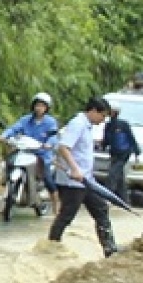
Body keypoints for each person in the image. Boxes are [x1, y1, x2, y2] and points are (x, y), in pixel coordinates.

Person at [49, 96, 117, 257]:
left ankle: (110, 249)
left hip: (86, 181)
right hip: (74, 181)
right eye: (102, 116)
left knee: (101, 209)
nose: (103, 120)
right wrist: (74, 169)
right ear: (93, 111)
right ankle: (51, 246)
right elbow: (64, 147)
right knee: (66, 215)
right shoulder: (77, 124)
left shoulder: (86, 127)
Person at [0, 92, 60, 215]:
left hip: (41, 154)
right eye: (37, 105)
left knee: (48, 180)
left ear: (47, 108)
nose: (39, 108)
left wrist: (49, 143)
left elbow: (54, 136)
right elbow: (14, 129)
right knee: (9, 165)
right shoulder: (25, 120)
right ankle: (6, 202)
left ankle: (56, 207)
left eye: (42, 106)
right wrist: (4, 136)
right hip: (24, 151)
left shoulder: (50, 122)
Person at [101, 104, 140, 204]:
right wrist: (102, 147)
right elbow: (106, 140)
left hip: (124, 153)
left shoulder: (123, 124)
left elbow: (131, 138)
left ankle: (107, 197)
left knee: (112, 175)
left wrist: (136, 152)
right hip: (114, 153)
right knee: (119, 176)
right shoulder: (108, 125)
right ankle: (125, 199)